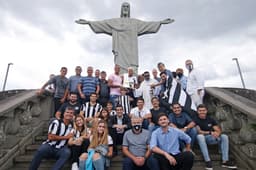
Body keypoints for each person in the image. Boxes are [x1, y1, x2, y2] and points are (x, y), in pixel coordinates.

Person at [76, 2, 174, 74]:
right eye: (124, 7)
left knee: (132, 71)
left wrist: (160, 22)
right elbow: (102, 23)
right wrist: (89, 22)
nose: (125, 8)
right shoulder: (115, 22)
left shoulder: (135, 23)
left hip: (132, 53)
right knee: (121, 70)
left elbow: (147, 25)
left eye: (127, 7)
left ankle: (130, 89)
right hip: (120, 51)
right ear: (121, 9)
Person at [194, 104, 237, 170]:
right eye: (200, 111)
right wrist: (210, 132)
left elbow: (218, 129)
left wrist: (217, 133)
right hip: (200, 139)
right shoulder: (195, 119)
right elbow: (199, 131)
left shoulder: (210, 119)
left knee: (224, 136)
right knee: (200, 136)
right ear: (197, 111)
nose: (202, 112)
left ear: (206, 111)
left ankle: (225, 161)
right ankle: (207, 161)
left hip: (210, 138)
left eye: (203, 110)